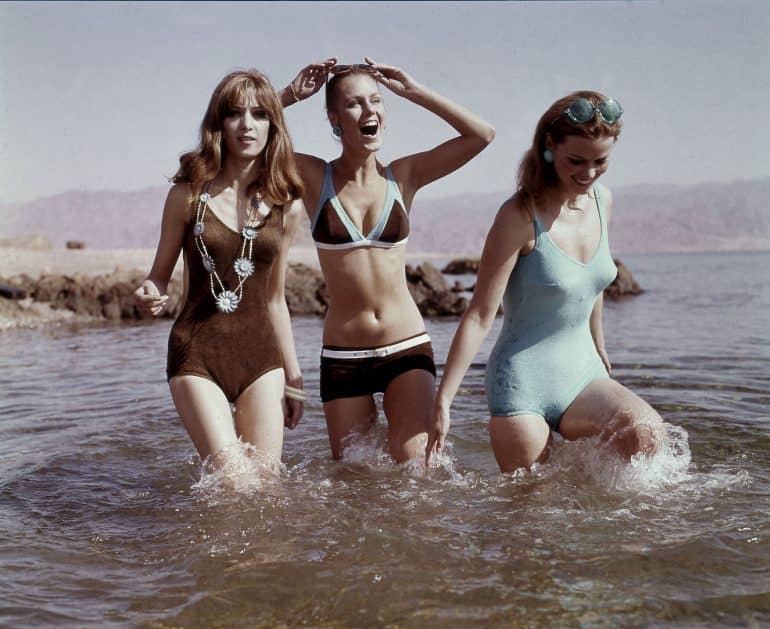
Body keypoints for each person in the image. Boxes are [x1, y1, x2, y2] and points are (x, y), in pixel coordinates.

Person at [426, 92, 664, 472]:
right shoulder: (518, 216)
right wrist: (443, 400)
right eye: (577, 161)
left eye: (600, 161)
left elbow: (590, 282)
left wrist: (599, 343)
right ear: (550, 146)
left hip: (584, 374)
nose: (589, 173)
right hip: (522, 386)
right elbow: (480, 314)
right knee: (534, 505)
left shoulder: (603, 201)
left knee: (646, 435)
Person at [279, 57, 495, 462]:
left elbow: (481, 135)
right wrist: (289, 96)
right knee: (352, 479)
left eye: (375, 100)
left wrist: (415, 91)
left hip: (406, 348)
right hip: (343, 355)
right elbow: (237, 139)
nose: (369, 110)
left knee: (416, 475)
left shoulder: (404, 176)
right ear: (334, 119)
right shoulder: (314, 177)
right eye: (354, 103)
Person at [133, 70, 307, 472]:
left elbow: (275, 298)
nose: (247, 125)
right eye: (234, 113)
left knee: (266, 487)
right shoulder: (186, 196)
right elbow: (158, 275)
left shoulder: (287, 204)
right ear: (219, 124)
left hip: (262, 358)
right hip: (196, 354)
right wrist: (149, 292)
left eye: (259, 115)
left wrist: (294, 377)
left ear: (273, 126)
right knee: (232, 480)